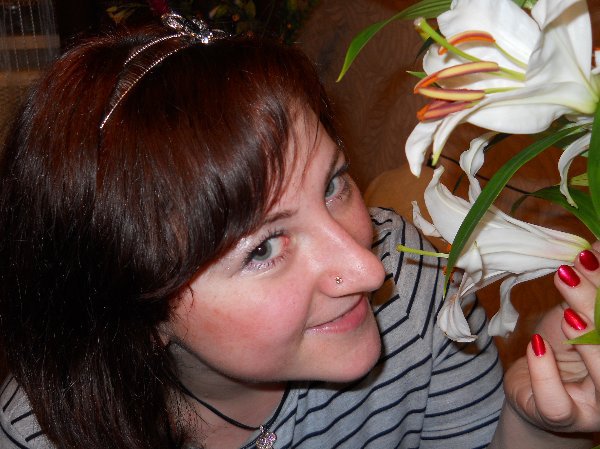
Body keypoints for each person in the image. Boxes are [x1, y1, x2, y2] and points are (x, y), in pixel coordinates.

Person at [0, 13, 598, 449]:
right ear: (136, 313)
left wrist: (539, 425)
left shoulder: (416, 292)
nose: (369, 269)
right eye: (263, 248)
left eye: (333, 184)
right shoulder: (41, 436)